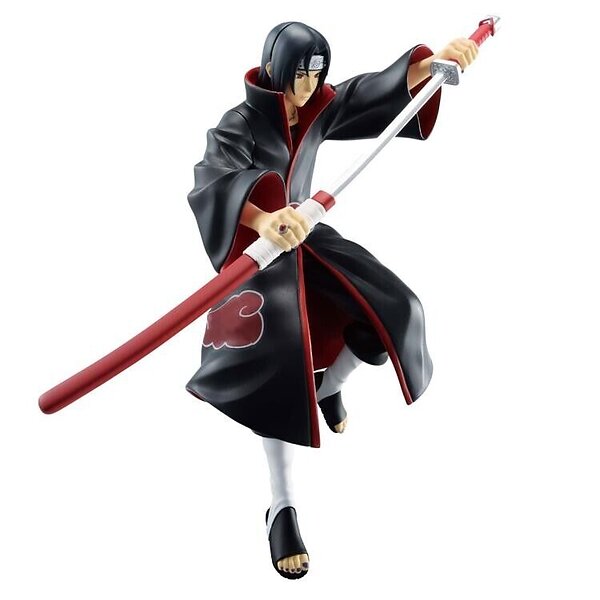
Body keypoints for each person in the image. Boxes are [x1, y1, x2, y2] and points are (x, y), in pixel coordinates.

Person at [186, 21, 477, 578]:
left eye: (318, 73)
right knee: (276, 365)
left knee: (392, 311)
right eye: (302, 73)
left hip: (309, 235)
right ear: (278, 70)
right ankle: (282, 505)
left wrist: (431, 64)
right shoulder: (239, 123)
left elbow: (365, 93)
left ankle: (329, 386)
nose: (310, 85)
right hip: (258, 254)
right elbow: (212, 179)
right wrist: (263, 218)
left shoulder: (317, 106)